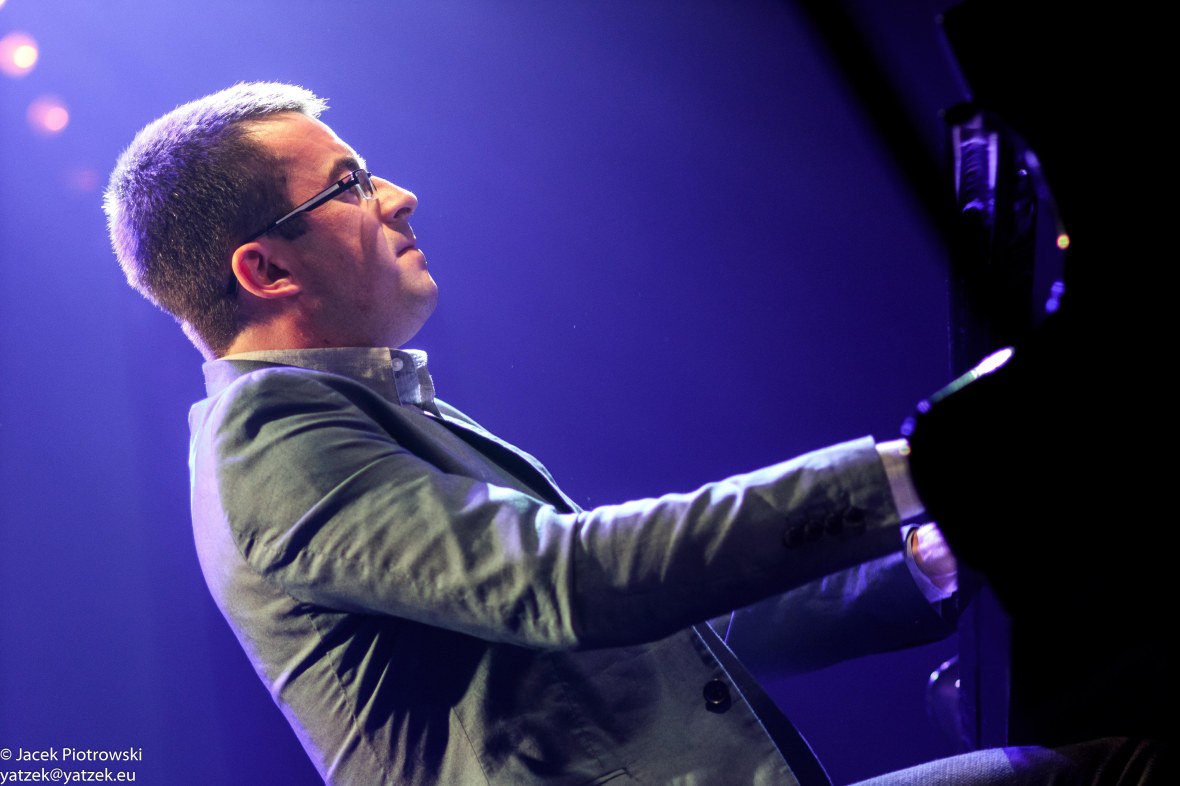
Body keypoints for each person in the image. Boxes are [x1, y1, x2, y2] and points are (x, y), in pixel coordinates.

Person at [102, 81, 1150, 785]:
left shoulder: (351, 413)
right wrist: (920, 469)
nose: (400, 196)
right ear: (264, 269)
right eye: (349, 185)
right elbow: (574, 582)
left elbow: (647, 632)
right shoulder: (272, 444)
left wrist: (920, 562)